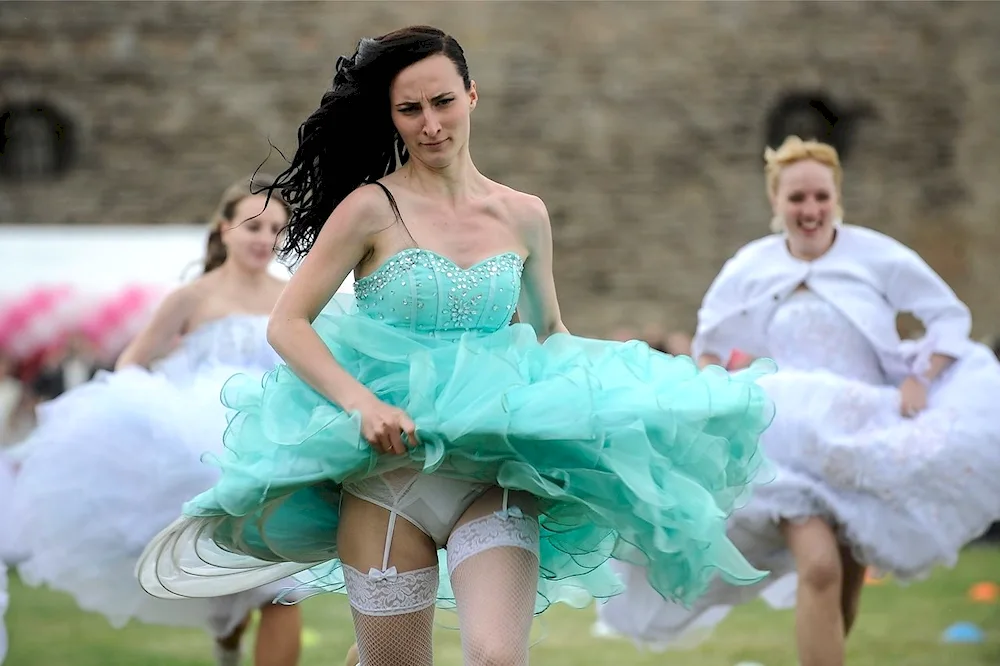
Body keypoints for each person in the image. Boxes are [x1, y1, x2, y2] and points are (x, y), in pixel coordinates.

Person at [136, 26, 775, 666]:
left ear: (472, 95)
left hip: (493, 470)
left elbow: (548, 332)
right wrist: (361, 403)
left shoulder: (524, 214)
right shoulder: (369, 207)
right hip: (387, 475)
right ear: (392, 117)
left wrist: (645, 390)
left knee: (498, 658)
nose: (430, 124)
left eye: (442, 102)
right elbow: (288, 323)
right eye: (410, 109)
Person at [595, 136, 1000, 666]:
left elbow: (948, 317)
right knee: (820, 567)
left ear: (836, 198)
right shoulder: (751, 266)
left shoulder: (876, 256)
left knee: (844, 588)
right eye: (796, 199)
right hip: (784, 438)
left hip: (861, 439)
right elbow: (709, 344)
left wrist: (921, 378)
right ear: (775, 202)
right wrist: (715, 397)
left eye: (820, 197)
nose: (809, 210)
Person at [11, 176, 303, 666]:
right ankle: (226, 640)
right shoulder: (191, 297)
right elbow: (131, 361)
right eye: (253, 225)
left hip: (281, 452)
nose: (264, 238)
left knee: (282, 586)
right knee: (228, 593)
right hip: (209, 453)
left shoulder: (293, 295)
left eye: (275, 229)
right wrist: (159, 410)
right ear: (225, 228)